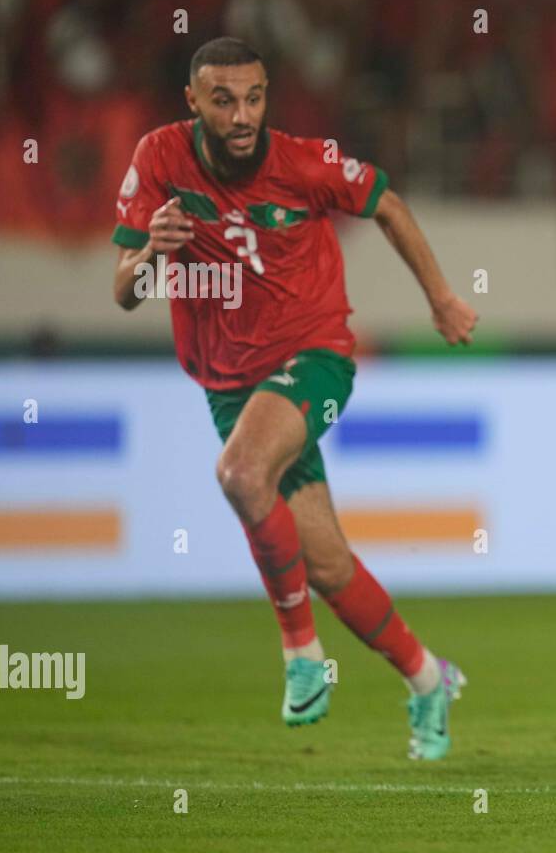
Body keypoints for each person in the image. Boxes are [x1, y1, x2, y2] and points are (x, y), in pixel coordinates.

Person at [110, 38, 479, 760]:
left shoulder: (305, 162)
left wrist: (440, 298)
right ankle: (429, 677)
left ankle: (301, 653)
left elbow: (389, 204)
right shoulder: (158, 160)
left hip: (314, 359)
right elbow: (124, 293)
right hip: (227, 385)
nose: (242, 114)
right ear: (194, 102)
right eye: (224, 100)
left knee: (242, 475)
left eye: (253, 97)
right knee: (328, 564)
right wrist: (151, 251)